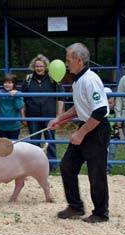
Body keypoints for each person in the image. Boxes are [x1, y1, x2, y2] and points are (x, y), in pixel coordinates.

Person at [48, 43, 110, 223]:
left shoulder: (90, 80)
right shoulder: (78, 79)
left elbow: (100, 111)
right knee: (67, 165)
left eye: (68, 60)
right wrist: (59, 118)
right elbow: (79, 107)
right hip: (86, 125)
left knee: (96, 172)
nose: (66, 64)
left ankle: (100, 213)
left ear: (79, 60)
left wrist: (81, 133)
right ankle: (75, 206)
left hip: (96, 129)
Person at [21, 54, 65, 171]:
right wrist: (24, 117)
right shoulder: (28, 79)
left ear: (46, 66)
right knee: (34, 142)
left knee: (50, 140)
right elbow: (22, 99)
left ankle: (52, 165)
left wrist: (59, 115)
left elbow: (61, 98)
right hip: (32, 116)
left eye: (41, 66)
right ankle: (35, 166)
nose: (39, 68)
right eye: (36, 66)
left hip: (49, 116)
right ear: (33, 67)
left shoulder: (53, 78)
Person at [0, 73, 25, 139]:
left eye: (10, 83)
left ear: (14, 84)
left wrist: (16, 95)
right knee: (4, 144)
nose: (7, 84)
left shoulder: (18, 93)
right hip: (2, 125)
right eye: (5, 82)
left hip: (14, 125)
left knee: (13, 144)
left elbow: (19, 107)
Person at [104, 87, 120, 174]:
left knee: (112, 152)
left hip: (114, 136)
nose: (108, 105)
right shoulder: (101, 112)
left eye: (110, 103)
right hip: (103, 135)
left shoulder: (117, 113)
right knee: (103, 152)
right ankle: (104, 167)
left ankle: (108, 168)